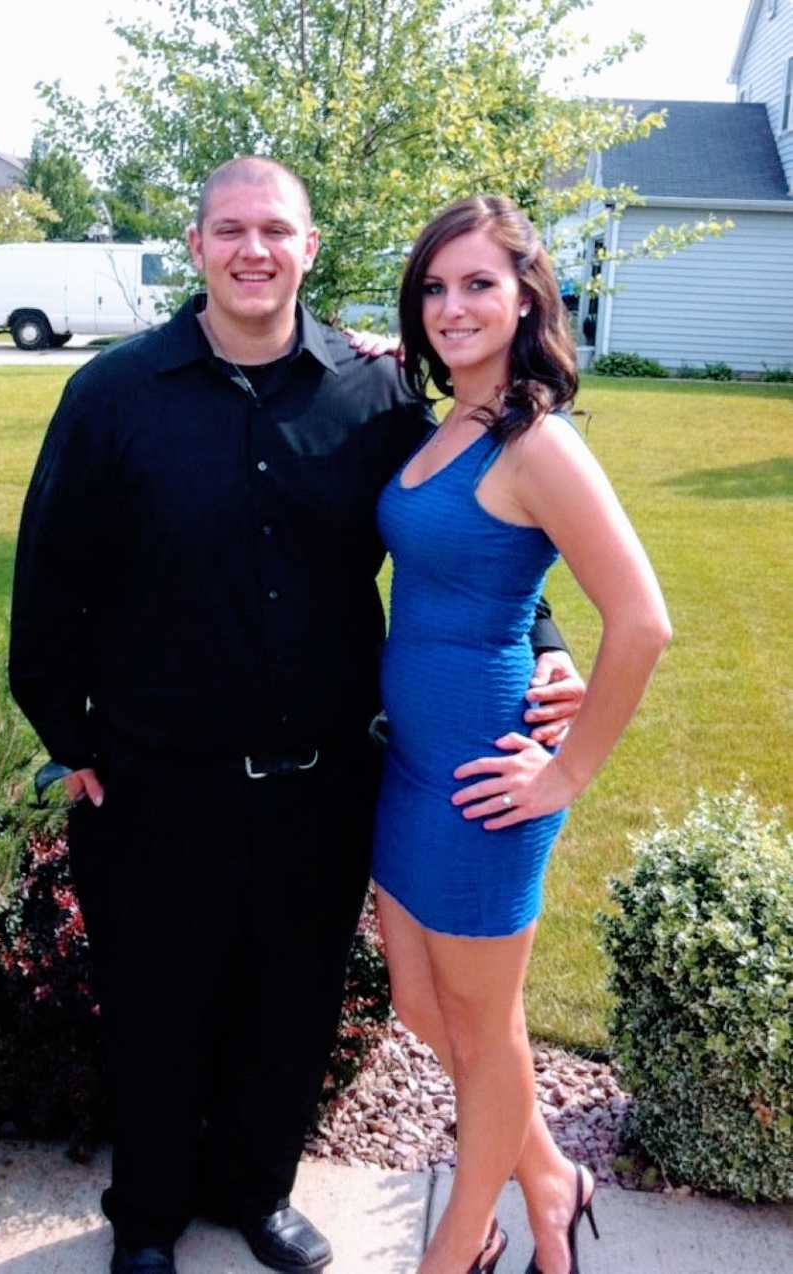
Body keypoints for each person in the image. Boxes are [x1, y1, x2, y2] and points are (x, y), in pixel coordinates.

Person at [9, 159, 585, 1274]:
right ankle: (147, 1217)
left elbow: (464, 529)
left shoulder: (371, 394)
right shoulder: (113, 395)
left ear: (310, 249)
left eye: (277, 229)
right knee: (156, 1010)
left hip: (322, 783)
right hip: (153, 779)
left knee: (292, 1009)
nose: (254, 249)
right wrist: (68, 738)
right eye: (231, 229)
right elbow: (50, 578)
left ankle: (259, 1190)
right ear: (195, 246)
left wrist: (550, 644)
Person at [371, 193, 672, 1274]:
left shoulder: (537, 439)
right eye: (435, 288)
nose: (454, 305)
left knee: (487, 1030)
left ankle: (458, 1243)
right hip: (411, 769)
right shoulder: (448, 415)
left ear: (526, 296)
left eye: (479, 285)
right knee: (419, 1001)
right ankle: (553, 1176)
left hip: (486, 783)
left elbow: (643, 619)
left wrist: (568, 767)